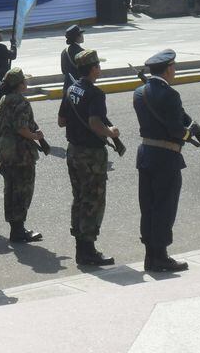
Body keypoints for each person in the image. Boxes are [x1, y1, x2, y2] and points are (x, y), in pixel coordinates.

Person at [132, 49, 193, 272]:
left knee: (148, 206)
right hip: (166, 157)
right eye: (173, 67)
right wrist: (189, 134)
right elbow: (176, 130)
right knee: (164, 207)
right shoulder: (170, 95)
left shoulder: (139, 92)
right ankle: (160, 257)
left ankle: (150, 255)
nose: (174, 71)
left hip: (146, 153)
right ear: (168, 69)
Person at [58, 49, 117, 265]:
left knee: (80, 198)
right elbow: (95, 123)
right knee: (93, 200)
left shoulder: (71, 89)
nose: (100, 70)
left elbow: (61, 121)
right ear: (93, 69)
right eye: (98, 66)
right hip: (91, 154)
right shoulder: (95, 93)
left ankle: (80, 247)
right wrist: (111, 132)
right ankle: (88, 250)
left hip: (73, 151)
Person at [0, 67, 44, 242]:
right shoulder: (21, 103)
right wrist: (36, 136)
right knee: (23, 190)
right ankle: (19, 229)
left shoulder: (1, 101)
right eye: (24, 80)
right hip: (21, 153)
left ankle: (15, 228)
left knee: (10, 188)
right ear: (19, 84)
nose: (26, 83)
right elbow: (21, 128)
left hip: (6, 151)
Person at [61, 24, 85, 92]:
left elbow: (63, 71)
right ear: (77, 37)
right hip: (79, 88)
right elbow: (85, 71)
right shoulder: (82, 52)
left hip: (67, 87)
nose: (83, 36)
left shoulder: (64, 52)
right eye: (81, 34)